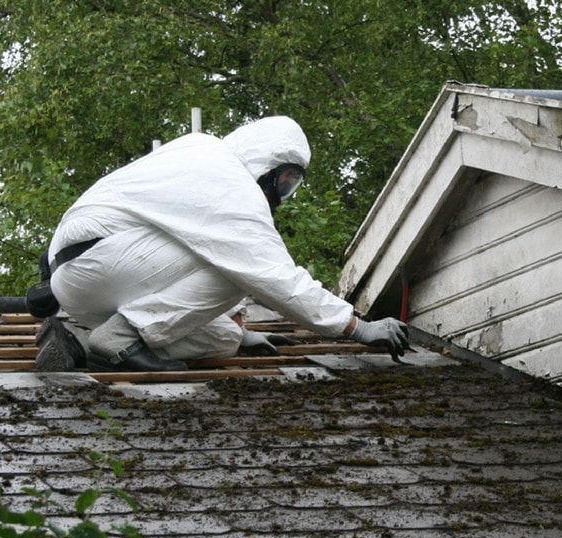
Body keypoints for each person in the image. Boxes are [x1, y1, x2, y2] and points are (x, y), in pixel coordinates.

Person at [32, 115, 409, 372]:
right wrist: (357, 327)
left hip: (87, 278)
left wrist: (240, 333)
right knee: (243, 272)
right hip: (99, 262)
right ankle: (121, 337)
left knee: (223, 338)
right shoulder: (230, 181)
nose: (283, 193)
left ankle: (82, 342)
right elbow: (274, 274)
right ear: (268, 162)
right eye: (285, 180)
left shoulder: (199, 153)